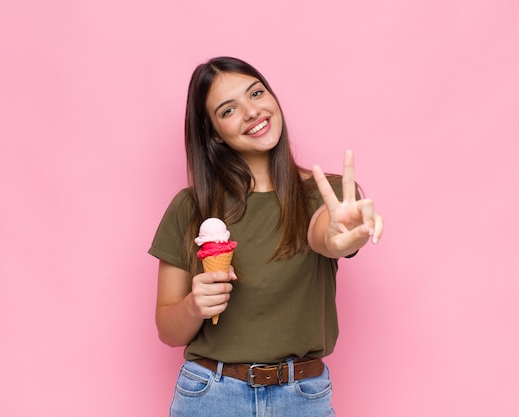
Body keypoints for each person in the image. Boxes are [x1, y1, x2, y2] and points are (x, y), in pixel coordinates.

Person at [149, 56, 384, 417]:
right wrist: (194, 306)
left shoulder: (327, 194)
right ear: (213, 132)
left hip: (302, 398)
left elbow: (326, 233)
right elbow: (168, 328)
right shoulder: (189, 206)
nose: (251, 111)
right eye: (228, 110)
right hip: (210, 397)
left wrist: (344, 233)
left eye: (256, 93)